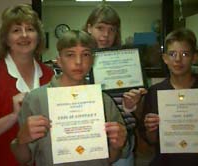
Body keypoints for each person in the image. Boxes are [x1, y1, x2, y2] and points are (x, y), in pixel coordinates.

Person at [11, 30, 130, 165]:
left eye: (85, 54)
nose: (78, 62)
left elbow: (109, 159)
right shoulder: (36, 99)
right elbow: (23, 159)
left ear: (92, 60)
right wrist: (21, 140)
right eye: (70, 55)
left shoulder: (104, 101)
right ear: (59, 60)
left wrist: (117, 146)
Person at [0, 4, 54, 166]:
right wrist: (12, 117)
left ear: (38, 36)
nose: (24, 35)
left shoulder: (51, 75)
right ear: (6, 38)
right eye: (16, 30)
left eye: (30, 29)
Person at [137, 28, 198, 166]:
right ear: (165, 58)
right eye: (172, 54)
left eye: (185, 54)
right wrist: (150, 129)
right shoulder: (154, 92)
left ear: (194, 57)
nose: (178, 59)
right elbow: (151, 140)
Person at [83, 4, 147, 166]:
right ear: (89, 28)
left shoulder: (127, 64)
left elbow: (140, 114)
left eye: (112, 29)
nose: (106, 35)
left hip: (122, 142)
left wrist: (132, 106)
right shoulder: (78, 63)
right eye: (100, 28)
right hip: (88, 141)